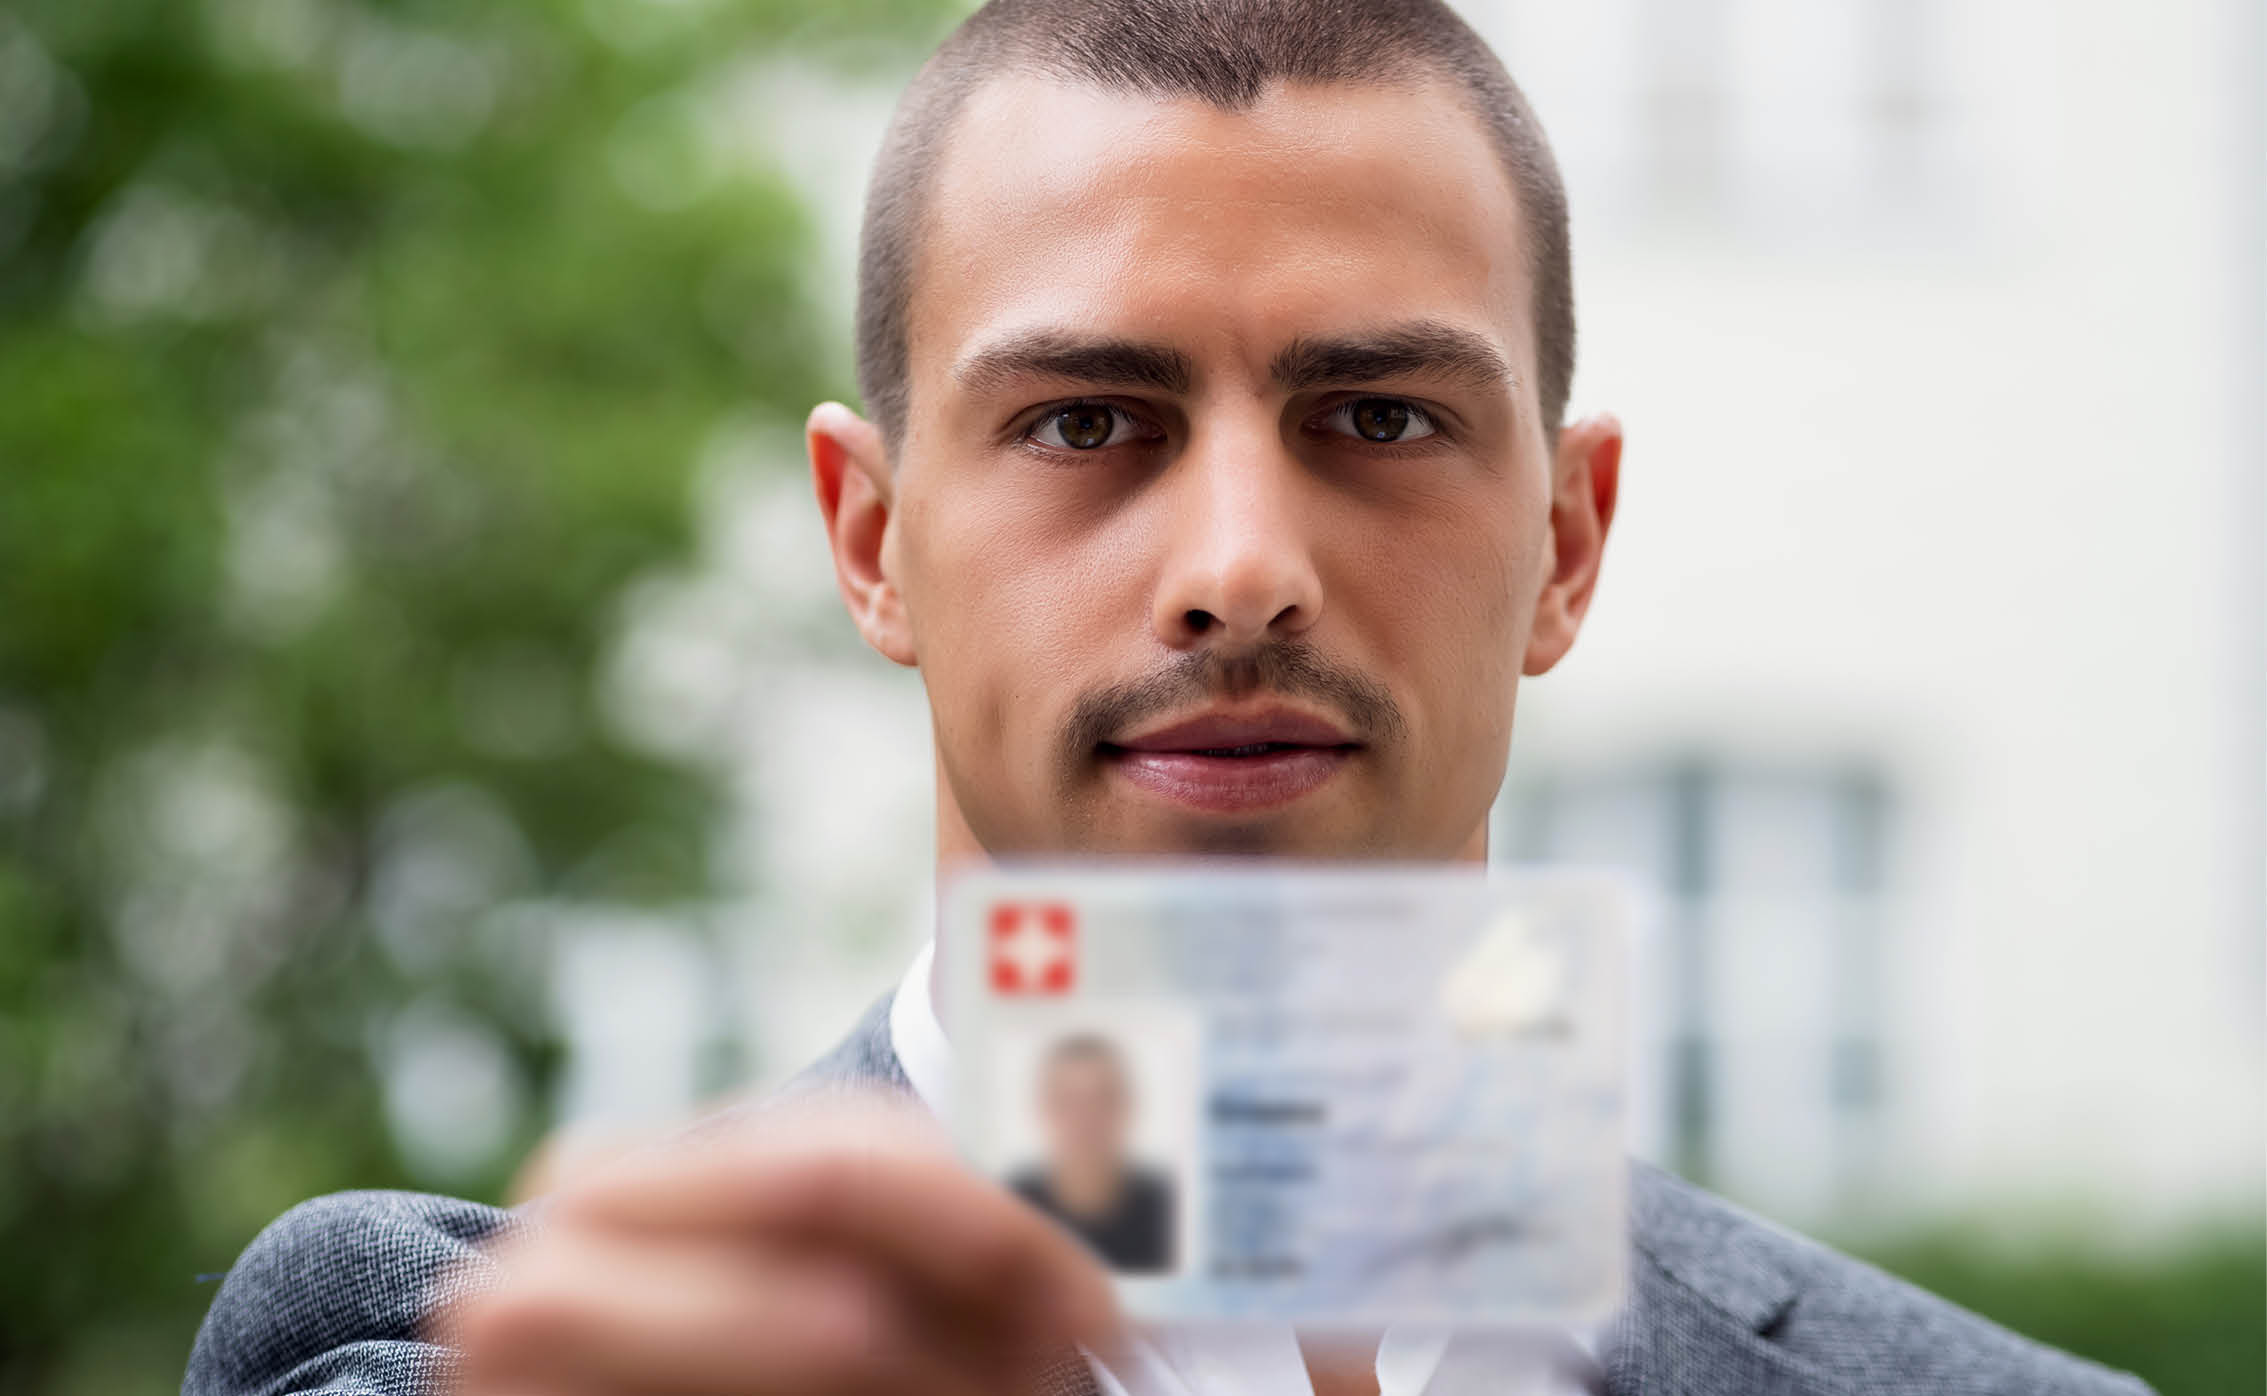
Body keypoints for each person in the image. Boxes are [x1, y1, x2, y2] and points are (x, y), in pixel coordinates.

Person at [182, 2, 2154, 1393]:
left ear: (1564, 539)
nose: (1238, 561)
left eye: (1373, 413)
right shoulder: (460, 1348)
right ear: (870, 539)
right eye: (1083, 418)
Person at [1007, 1034, 1177, 1274]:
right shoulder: (1010, 1210)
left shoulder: (1169, 1210)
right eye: (1068, 1101)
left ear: (1127, 1107)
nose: (1085, 1120)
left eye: (1102, 1099)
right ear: (1044, 1109)